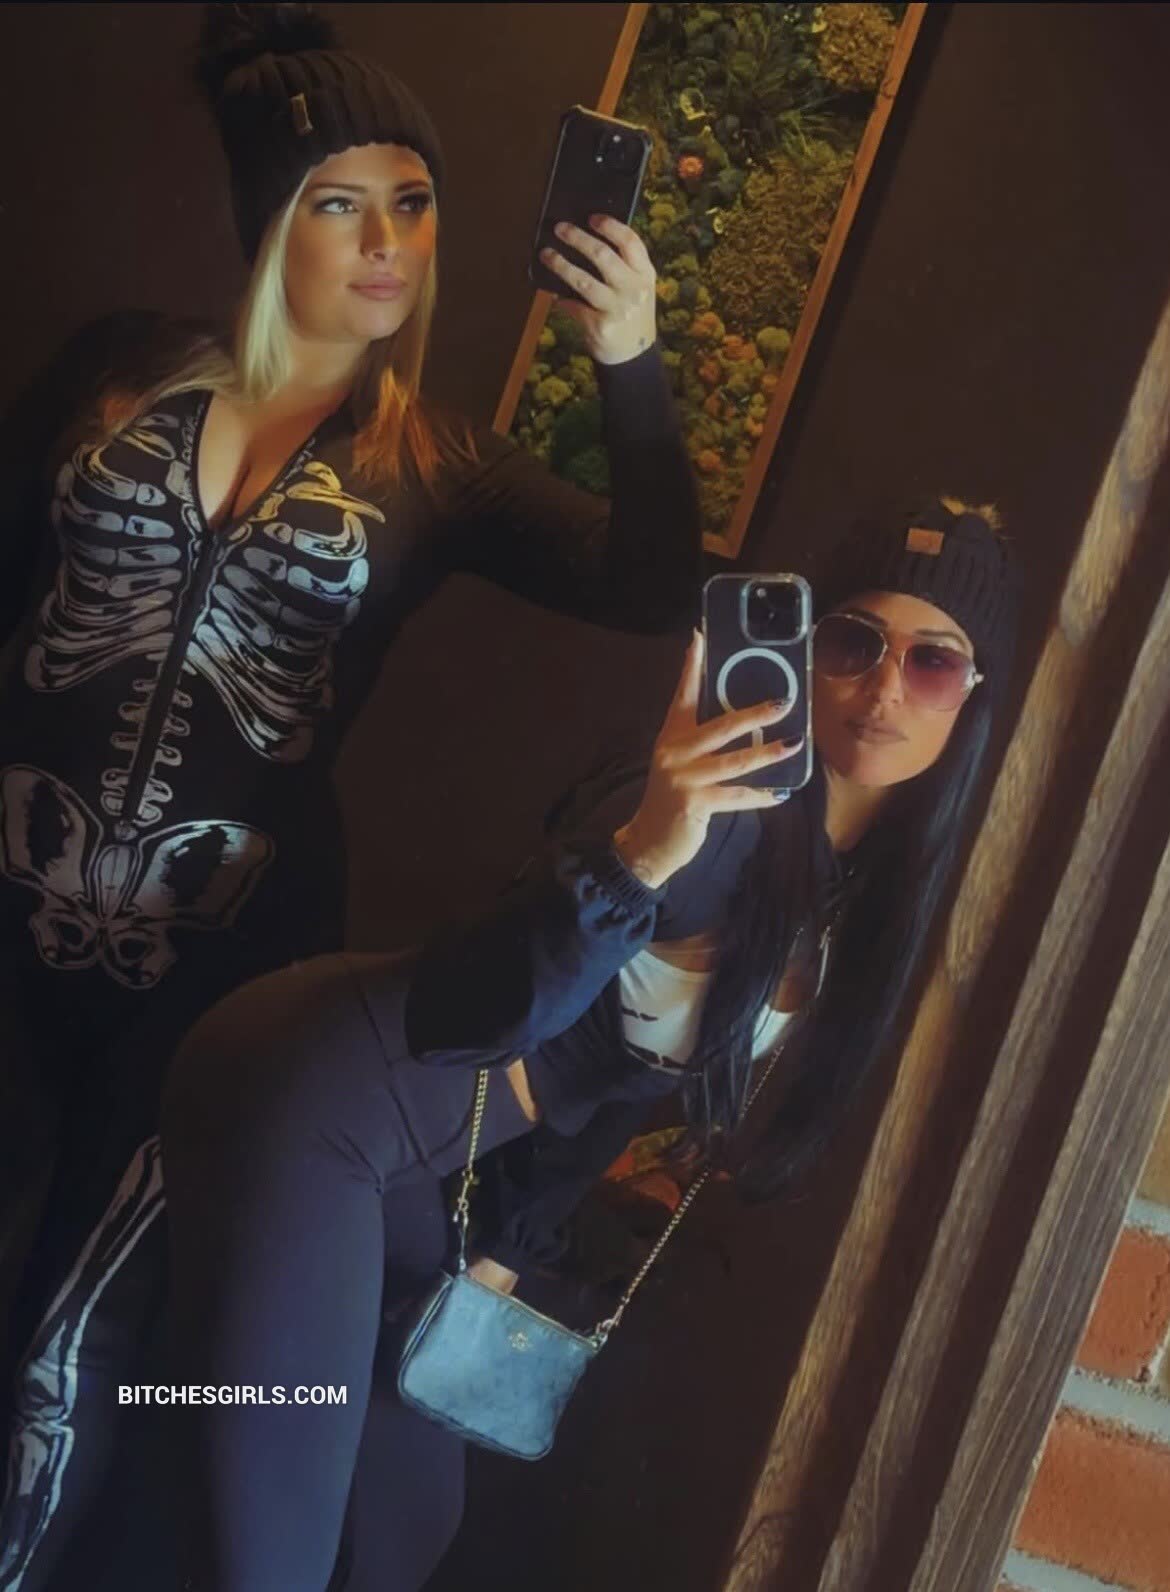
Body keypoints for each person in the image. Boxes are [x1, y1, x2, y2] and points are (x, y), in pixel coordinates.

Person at [0, 5, 703, 1587]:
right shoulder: (111, 374)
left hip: (216, 964)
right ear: (269, 219)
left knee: (67, 1346)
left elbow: (653, 579)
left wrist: (629, 357)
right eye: (341, 201)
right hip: (7, 905)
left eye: (415, 202)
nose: (389, 242)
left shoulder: (436, 461)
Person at [156, 498, 1021, 1591]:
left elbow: (627, 1085)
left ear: (973, 694)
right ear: (805, 648)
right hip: (317, 1094)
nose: (886, 688)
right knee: (269, 1545)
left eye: (932, 662)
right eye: (854, 643)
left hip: (413, 1162)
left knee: (405, 1526)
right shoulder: (705, 819)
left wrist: (509, 1245)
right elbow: (476, 1012)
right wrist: (642, 853)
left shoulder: (846, 891)